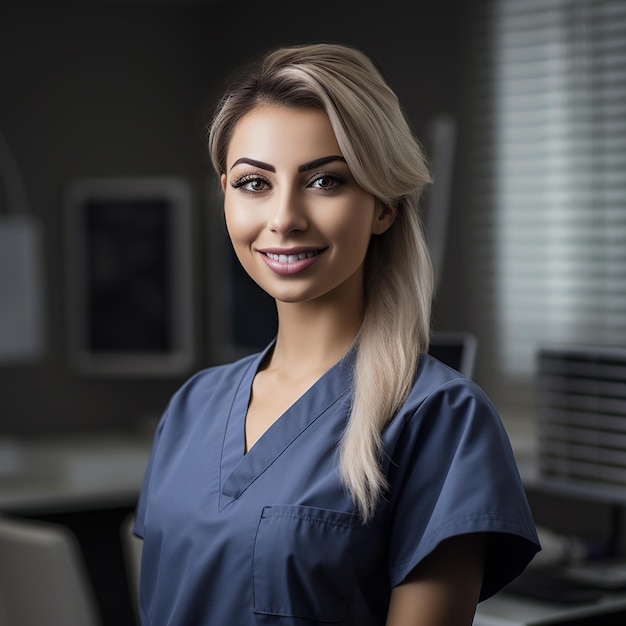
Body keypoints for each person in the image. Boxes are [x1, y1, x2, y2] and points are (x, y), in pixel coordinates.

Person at [133, 42, 540, 625]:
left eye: (325, 181)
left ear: (384, 207)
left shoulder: (439, 418)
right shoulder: (191, 408)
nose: (284, 218)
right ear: (225, 194)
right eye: (254, 184)